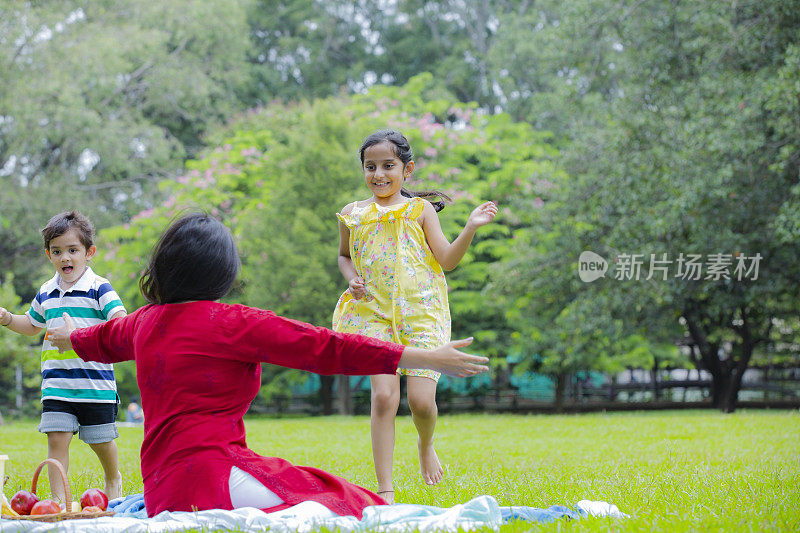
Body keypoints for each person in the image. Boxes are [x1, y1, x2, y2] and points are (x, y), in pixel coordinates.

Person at [46, 212, 488, 518]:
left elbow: (96, 340)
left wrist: (68, 336)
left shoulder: (144, 322)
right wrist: (425, 358)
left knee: (310, 483)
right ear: (222, 270)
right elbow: (328, 348)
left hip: (162, 489)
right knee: (348, 501)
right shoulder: (233, 322)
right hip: (213, 478)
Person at [333, 129, 498, 503]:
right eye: (370, 166)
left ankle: (426, 444)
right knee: (384, 397)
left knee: (421, 403)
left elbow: (448, 261)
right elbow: (344, 256)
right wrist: (352, 278)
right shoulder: (351, 214)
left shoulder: (419, 211)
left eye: (388, 166)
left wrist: (470, 227)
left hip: (421, 313)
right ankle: (385, 492)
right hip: (371, 313)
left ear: (407, 170)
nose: (379, 174)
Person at [0, 211, 126, 502]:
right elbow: (32, 326)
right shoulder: (46, 291)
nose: (65, 258)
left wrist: (83, 335)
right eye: (57, 251)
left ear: (89, 252)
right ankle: (59, 501)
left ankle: (112, 477)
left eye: (72, 250)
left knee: (102, 441)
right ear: (48, 255)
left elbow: (120, 320)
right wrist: (7, 318)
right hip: (57, 386)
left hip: (95, 385)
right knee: (56, 441)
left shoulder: (99, 287)